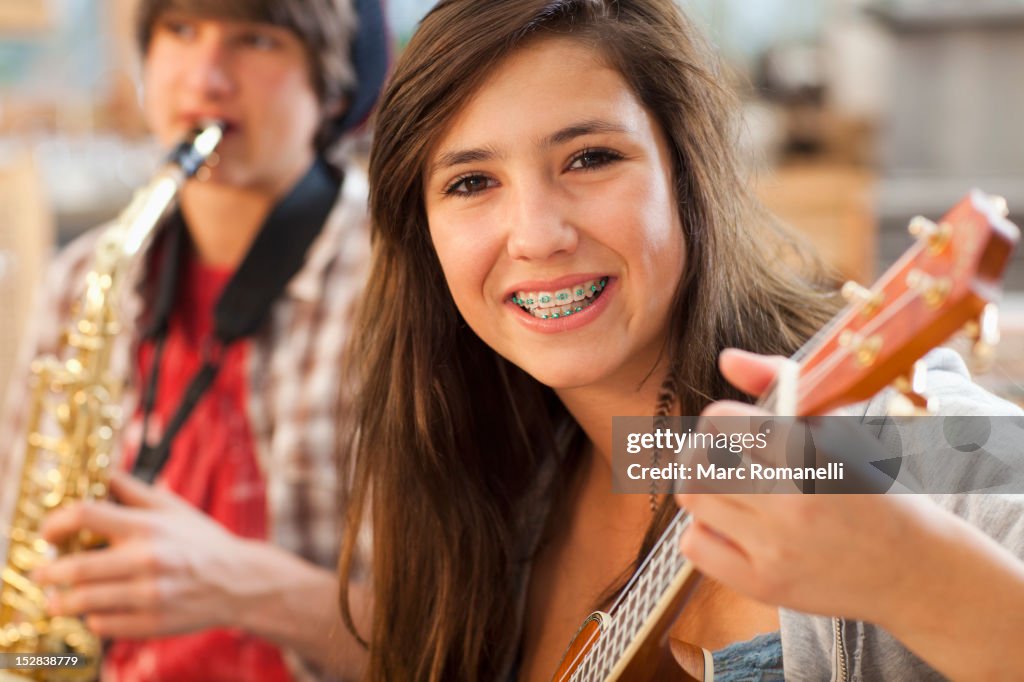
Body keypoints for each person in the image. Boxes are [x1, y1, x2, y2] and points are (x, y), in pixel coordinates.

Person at [336, 0, 1024, 680]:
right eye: (472, 181)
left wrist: (914, 576)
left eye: (590, 158)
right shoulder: (498, 481)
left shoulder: (864, 440)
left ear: (685, 176)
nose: (537, 234)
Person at [0, 0, 387, 680]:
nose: (204, 79)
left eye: (256, 40)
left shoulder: (405, 279)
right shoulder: (82, 278)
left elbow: (475, 641)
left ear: (332, 88)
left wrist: (241, 584)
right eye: (180, 31)